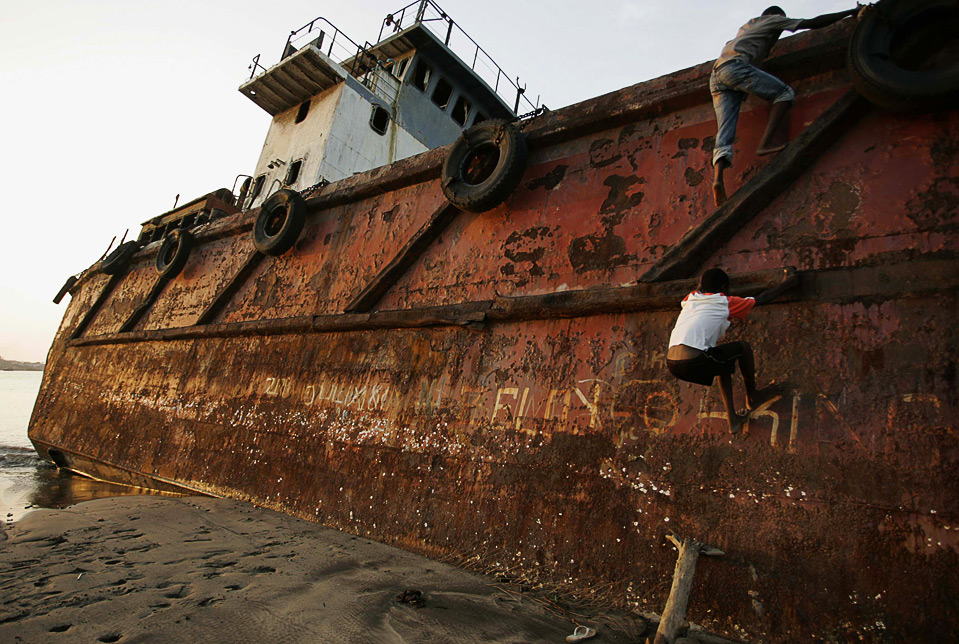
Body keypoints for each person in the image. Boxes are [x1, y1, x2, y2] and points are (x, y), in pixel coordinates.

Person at [710, 5, 860, 206]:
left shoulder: (745, 28)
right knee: (784, 93)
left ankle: (717, 179)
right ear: (774, 15)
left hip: (717, 75)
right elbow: (811, 23)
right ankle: (766, 143)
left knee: (725, 132)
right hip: (735, 68)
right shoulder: (772, 20)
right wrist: (849, 12)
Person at [666, 267, 798, 434]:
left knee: (723, 361)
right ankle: (753, 397)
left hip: (673, 363)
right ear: (723, 288)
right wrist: (788, 284)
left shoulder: (690, 298)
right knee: (743, 348)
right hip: (694, 360)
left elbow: (705, 289)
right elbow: (762, 299)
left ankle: (733, 420)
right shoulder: (725, 302)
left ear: (700, 286)